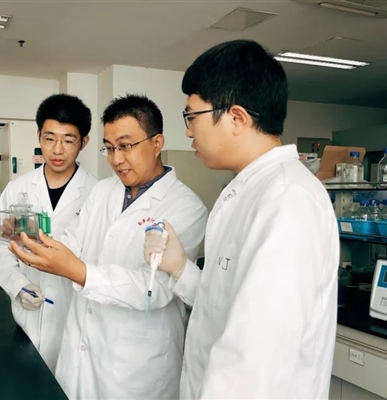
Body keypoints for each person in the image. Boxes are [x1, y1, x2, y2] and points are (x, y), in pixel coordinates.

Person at [143, 39, 340, 399]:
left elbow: (256, 358)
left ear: (236, 118)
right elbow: (225, 307)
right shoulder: (249, 189)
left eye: (191, 116)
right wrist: (180, 267)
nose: (188, 130)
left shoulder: (288, 199)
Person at [9, 94, 208, 399]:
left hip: (133, 365)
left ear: (157, 143)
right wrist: (40, 248)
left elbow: (155, 290)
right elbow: (74, 239)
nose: (116, 159)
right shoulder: (103, 190)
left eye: (125, 146)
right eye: (110, 148)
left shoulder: (186, 207)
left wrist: (79, 272)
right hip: (80, 347)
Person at [0, 93, 98, 372]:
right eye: (49, 138)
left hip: (76, 316)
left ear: (84, 142)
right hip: (28, 316)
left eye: (68, 140)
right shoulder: (18, 190)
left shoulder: (98, 194)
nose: (57, 150)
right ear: (39, 136)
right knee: (28, 381)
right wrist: (17, 285)